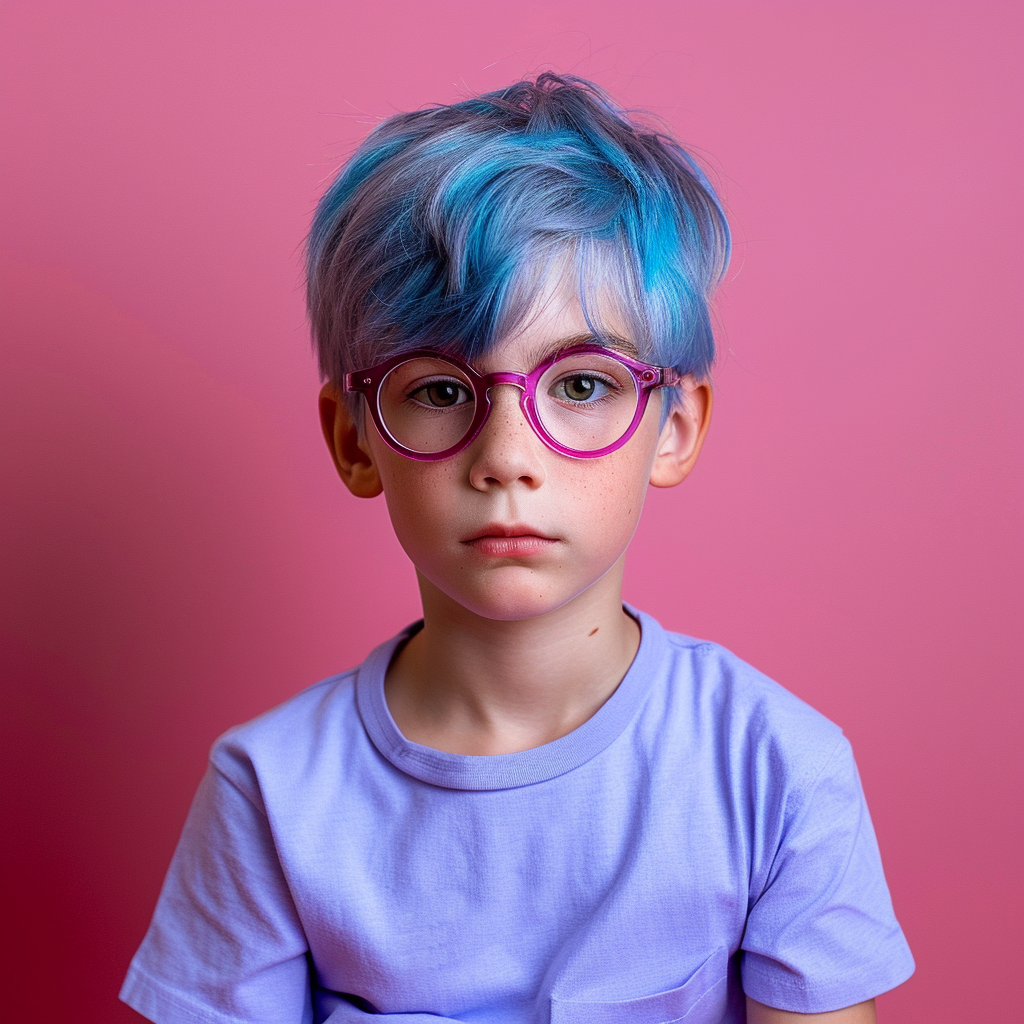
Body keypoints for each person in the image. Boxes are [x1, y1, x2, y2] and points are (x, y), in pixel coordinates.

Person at [120, 73, 914, 1024]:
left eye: (580, 386)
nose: (506, 460)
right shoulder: (269, 794)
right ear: (353, 438)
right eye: (442, 391)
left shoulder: (773, 766)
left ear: (672, 426)